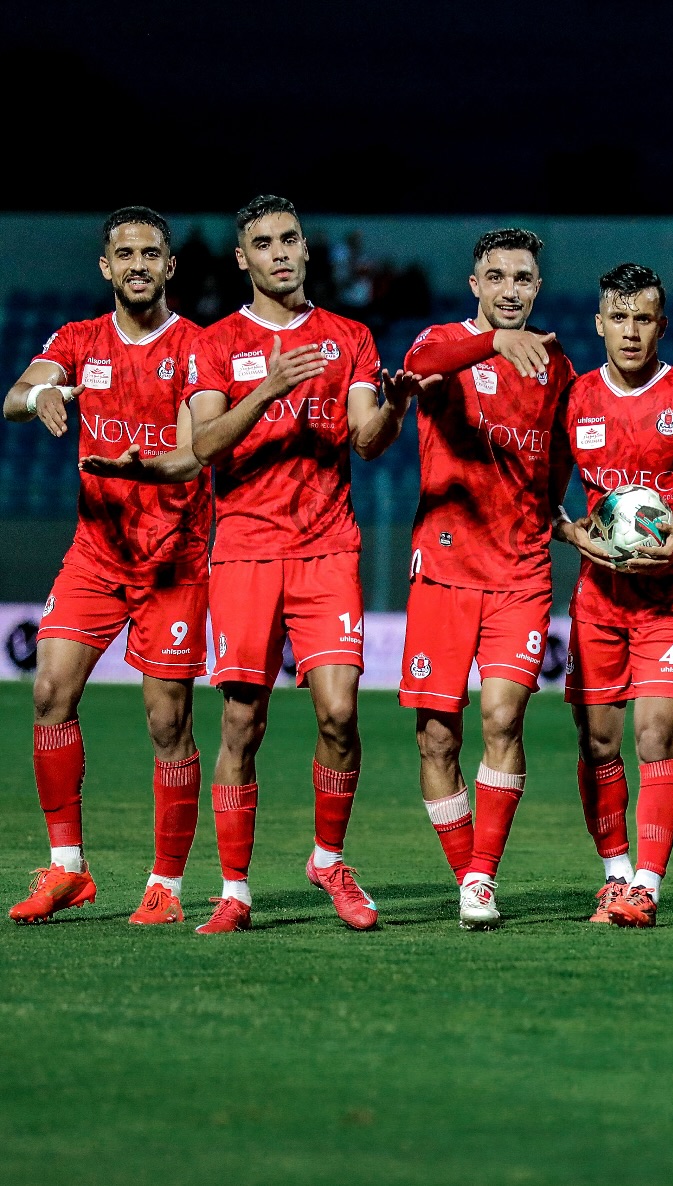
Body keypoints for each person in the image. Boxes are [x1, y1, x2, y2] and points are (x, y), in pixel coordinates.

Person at [184, 195, 421, 934]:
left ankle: (328, 858)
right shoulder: (215, 341)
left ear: (307, 250)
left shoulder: (348, 335)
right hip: (246, 551)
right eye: (264, 242)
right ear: (242, 258)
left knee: (341, 715)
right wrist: (271, 387)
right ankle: (234, 890)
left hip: (327, 549)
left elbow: (365, 438)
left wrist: (395, 409)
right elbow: (204, 445)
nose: (281, 252)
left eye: (290, 239)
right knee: (242, 722)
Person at [3, 206, 210, 925]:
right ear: (106, 266)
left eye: (151, 253)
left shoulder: (196, 348)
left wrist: (141, 468)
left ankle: (166, 885)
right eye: (125, 253)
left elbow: (191, 452)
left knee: (166, 724)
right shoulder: (80, 339)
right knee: (49, 693)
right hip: (96, 553)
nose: (138, 265)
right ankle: (68, 870)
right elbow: (13, 399)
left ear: (170, 265)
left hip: (174, 561)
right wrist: (44, 394)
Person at [551, 263, 673, 926]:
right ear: (600, 323)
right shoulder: (576, 400)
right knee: (598, 742)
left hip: (671, 600)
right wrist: (575, 533)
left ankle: (647, 886)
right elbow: (541, 490)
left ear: (662, 325)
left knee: (655, 733)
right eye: (620, 318)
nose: (632, 332)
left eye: (644, 319)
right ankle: (613, 876)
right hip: (598, 602)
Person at [398, 228, 575, 931]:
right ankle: (467, 871)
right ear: (475, 284)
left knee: (502, 717)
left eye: (523, 278)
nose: (509, 289)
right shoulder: (441, 342)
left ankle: (481, 879)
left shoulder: (552, 362)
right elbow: (427, 364)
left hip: (520, 571)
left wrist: (555, 512)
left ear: (537, 287)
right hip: (443, 568)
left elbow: (559, 449)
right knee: (438, 740)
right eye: (496, 276)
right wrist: (491, 344)